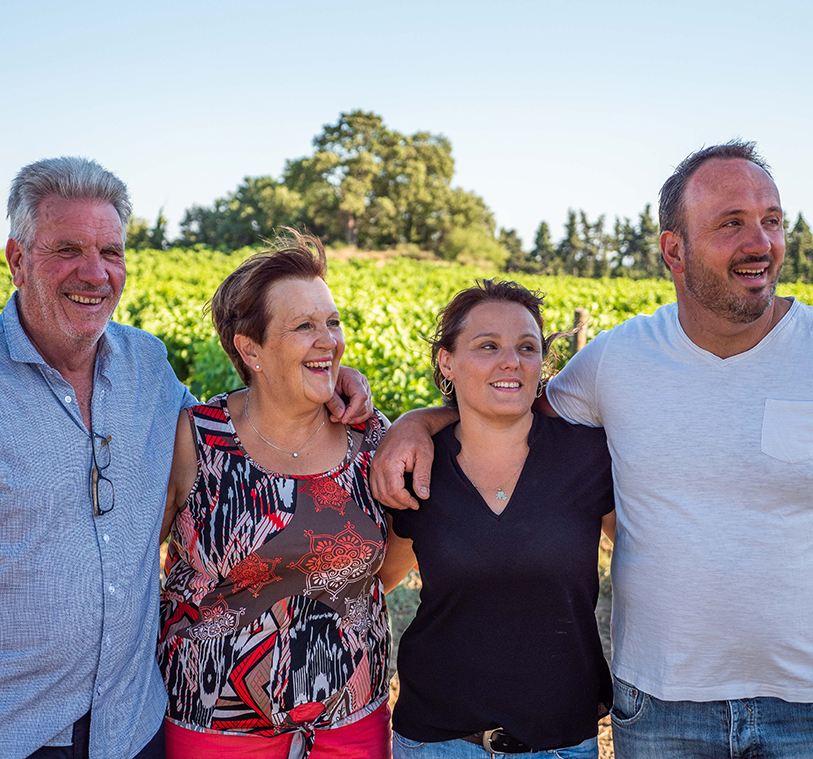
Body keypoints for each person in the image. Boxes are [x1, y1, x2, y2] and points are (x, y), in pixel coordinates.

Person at [371, 140, 813, 759]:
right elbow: (511, 405)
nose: (760, 242)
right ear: (674, 250)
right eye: (731, 222)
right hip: (661, 704)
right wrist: (419, 422)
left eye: (772, 220)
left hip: (804, 702)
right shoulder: (618, 359)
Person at [0, 159, 372, 759]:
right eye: (67, 249)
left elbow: (245, 427)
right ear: (17, 260)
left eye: (112, 253)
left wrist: (330, 377)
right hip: (19, 732)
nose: (94, 273)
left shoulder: (147, 366)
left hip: (132, 725)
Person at [157, 231, 392, 759]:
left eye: (332, 322)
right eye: (304, 326)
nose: (328, 339)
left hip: (350, 725)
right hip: (212, 726)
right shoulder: (195, 437)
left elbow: (389, 571)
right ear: (250, 349)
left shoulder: (370, 437)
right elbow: (134, 560)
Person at [379, 279, 615, 759]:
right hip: (436, 744)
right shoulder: (419, 467)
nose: (511, 361)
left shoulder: (589, 457)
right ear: (447, 361)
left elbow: (647, 559)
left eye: (527, 347)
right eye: (488, 346)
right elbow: (381, 578)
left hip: (562, 744)